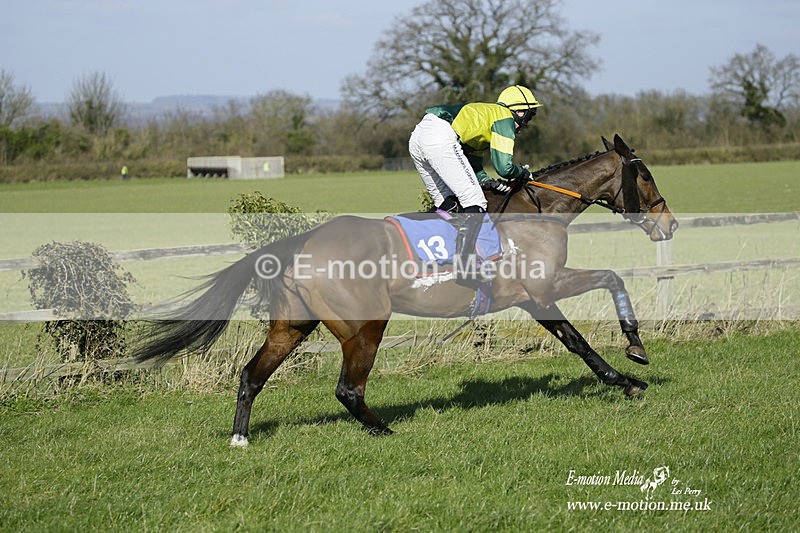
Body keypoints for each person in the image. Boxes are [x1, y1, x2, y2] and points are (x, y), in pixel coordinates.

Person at [408, 85, 542, 284]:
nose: (525, 125)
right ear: (519, 111)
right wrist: (523, 173)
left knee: (448, 205)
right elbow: (504, 167)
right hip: (439, 136)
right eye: (528, 116)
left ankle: (434, 257)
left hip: (418, 136)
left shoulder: (486, 115)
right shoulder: (504, 117)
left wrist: (486, 181)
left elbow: (472, 161)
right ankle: (465, 265)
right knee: (475, 202)